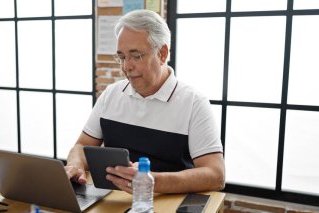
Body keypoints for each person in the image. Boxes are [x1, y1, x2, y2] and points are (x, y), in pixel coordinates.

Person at [65, 9, 225, 194]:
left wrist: (151, 181)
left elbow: (216, 175)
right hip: (114, 200)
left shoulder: (194, 103)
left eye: (136, 56)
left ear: (162, 53)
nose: (126, 67)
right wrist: (75, 165)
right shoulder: (111, 94)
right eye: (122, 57)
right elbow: (81, 146)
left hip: (168, 202)